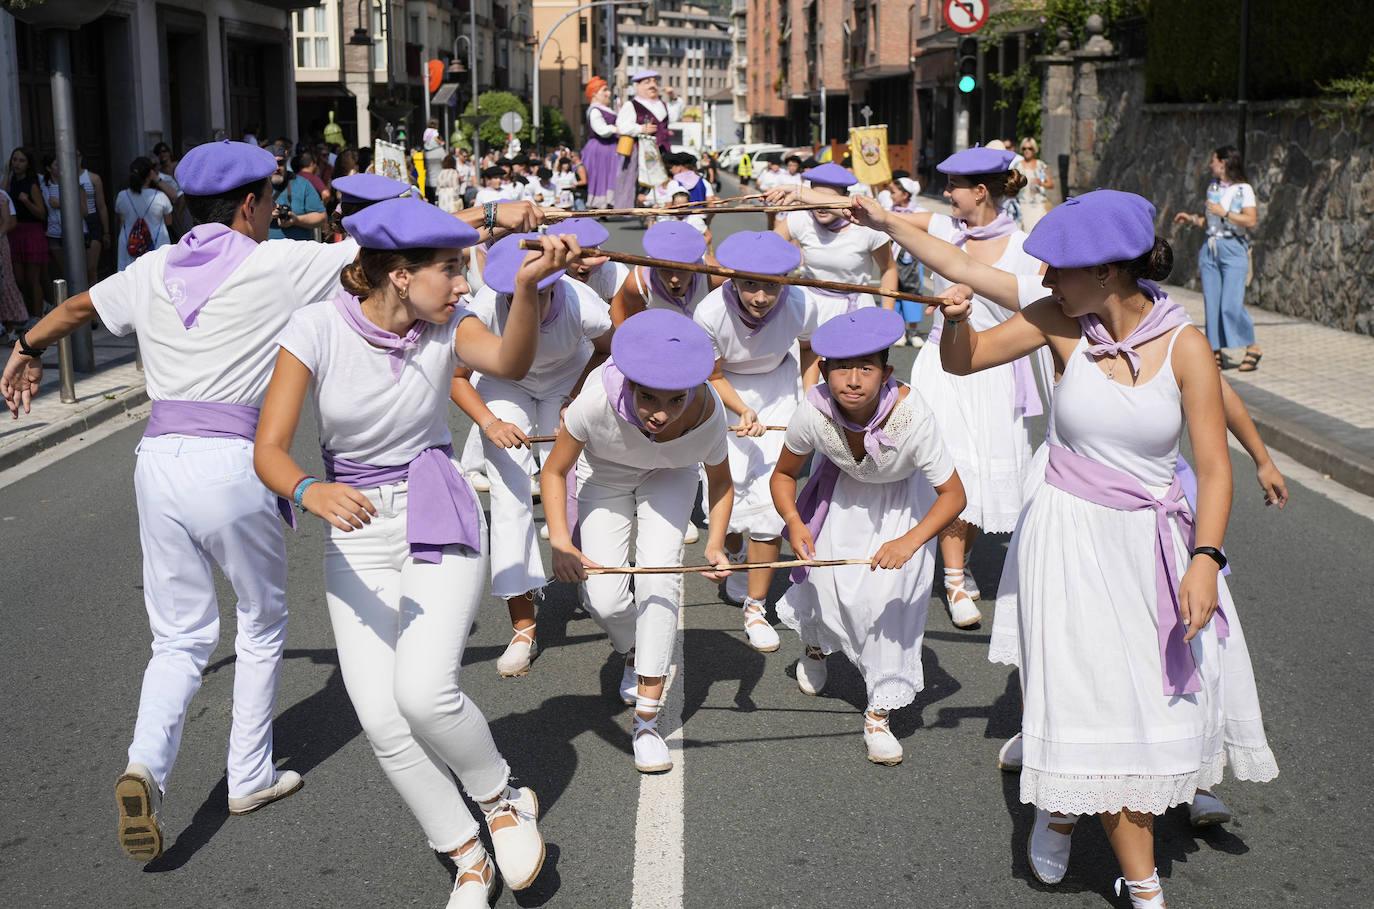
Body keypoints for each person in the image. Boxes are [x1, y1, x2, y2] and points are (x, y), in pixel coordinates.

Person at [865, 198, 1287, 830]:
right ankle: (1059, 799)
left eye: (1056, 267)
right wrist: (885, 223)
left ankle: (1185, 772)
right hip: (1070, 505)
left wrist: (1245, 480)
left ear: (1106, 272)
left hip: (1155, 516)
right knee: (1072, 652)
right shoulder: (1059, 316)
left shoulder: (1179, 338)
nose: (1041, 278)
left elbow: (1214, 425)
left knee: (1185, 652)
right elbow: (959, 296)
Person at [2, 139, 364, 862]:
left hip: (158, 461)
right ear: (252, 204)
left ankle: (146, 767)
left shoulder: (153, 266)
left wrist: (27, 348)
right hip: (233, 461)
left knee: (178, 637)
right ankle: (249, 773)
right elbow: (371, 251)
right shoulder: (277, 262)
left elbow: (76, 305)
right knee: (262, 618)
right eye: (268, 198)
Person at [254, 202, 571, 906]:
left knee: (424, 690)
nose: (463, 284)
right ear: (400, 275)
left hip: (437, 508)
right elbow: (269, 450)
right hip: (354, 530)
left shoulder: (449, 325)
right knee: (382, 717)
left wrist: (525, 290)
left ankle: (501, 801)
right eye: (452, 270)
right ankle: (466, 855)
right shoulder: (313, 329)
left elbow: (510, 360)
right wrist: (310, 488)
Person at [541, 309, 734, 772]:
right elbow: (553, 470)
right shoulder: (593, 404)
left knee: (658, 576)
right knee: (603, 599)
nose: (660, 413)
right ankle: (632, 646)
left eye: (675, 399)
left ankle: (646, 721)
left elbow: (722, 484)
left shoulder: (710, 415)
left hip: (670, 475)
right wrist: (562, 543)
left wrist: (715, 544)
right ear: (627, 382)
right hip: (604, 475)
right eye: (647, 397)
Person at [858, 146, 1044, 629]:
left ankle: (957, 559)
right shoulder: (943, 230)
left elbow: (1041, 313)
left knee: (982, 478)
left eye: (954, 186)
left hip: (997, 372)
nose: (946, 194)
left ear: (980, 191)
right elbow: (886, 219)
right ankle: (955, 577)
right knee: (949, 469)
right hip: (943, 368)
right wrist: (803, 194)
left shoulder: (1028, 249)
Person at [771, 308, 966, 765]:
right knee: (824, 583)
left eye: (866, 368)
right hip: (840, 494)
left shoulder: (913, 414)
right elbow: (784, 475)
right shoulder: (813, 411)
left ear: (886, 372)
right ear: (823, 370)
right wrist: (796, 523)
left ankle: (878, 713)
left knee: (887, 603)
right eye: (842, 367)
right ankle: (817, 646)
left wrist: (909, 542)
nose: (854, 380)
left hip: (905, 507)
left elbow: (954, 495)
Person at [449, 231, 613, 678]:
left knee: (579, 474)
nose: (531, 304)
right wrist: (490, 423)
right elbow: (458, 377)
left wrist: (575, 398)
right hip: (505, 382)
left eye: (542, 294)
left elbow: (605, 351)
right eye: (518, 294)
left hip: (567, 376)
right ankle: (523, 626)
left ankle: (591, 574)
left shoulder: (582, 302)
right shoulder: (482, 308)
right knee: (508, 492)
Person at [692, 231, 820, 649]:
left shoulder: (802, 303)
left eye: (771, 284)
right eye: (750, 284)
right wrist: (742, 409)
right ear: (731, 279)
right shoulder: (709, 312)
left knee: (768, 501)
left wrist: (808, 400)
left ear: (787, 278)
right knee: (729, 487)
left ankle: (756, 606)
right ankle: (730, 547)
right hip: (725, 393)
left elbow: (810, 351)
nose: (761, 296)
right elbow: (711, 374)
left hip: (781, 390)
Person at [768, 162, 898, 324]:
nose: (822, 208)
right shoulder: (800, 218)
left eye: (828, 201)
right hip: (808, 304)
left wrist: (887, 314)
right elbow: (767, 248)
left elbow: (888, 268)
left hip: (855, 307)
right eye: (815, 199)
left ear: (845, 197)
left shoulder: (867, 227)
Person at [1173, 144, 1261, 372]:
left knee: (1230, 304)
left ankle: (1252, 347)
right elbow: (1209, 222)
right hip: (1210, 248)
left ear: (1223, 162)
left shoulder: (1244, 190)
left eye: (1213, 160)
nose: (1210, 164)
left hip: (1234, 248)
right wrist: (1192, 219)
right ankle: (1215, 352)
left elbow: (1251, 220)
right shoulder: (1213, 187)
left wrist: (1226, 213)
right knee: (1212, 303)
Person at [610, 220, 719, 325]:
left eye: (681, 270)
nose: (674, 279)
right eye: (666, 270)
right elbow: (634, 329)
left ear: (696, 265)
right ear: (654, 266)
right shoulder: (637, 285)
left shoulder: (716, 276)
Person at [4, 147, 49, 317]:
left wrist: (27, 201)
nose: (17, 163)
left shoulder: (32, 184)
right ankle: (27, 312)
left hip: (32, 231)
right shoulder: (9, 181)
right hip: (15, 232)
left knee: (33, 279)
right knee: (18, 279)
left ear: (28, 164)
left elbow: (41, 213)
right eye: (15, 159)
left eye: (21, 160)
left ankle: (37, 316)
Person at [616, 70, 671, 208]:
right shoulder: (632, 105)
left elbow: (674, 117)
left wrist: (673, 97)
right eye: (647, 82)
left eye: (654, 82)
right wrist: (641, 128)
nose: (652, 85)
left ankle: (661, 207)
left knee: (663, 180)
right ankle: (643, 210)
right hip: (642, 151)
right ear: (638, 86)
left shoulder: (662, 104)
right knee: (641, 181)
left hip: (662, 149)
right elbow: (622, 126)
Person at [114, 156, 174, 272]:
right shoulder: (160, 197)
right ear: (150, 174)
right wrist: (156, 178)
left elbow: (121, 221)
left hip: (130, 247)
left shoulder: (122, 196)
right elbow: (169, 220)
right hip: (157, 247)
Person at [270, 152, 326, 241]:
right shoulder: (256, 185)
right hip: (267, 251)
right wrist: (266, 214)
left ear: (285, 163)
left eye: (280, 163)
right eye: (272, 163)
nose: (277, 168)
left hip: (299, 251)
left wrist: (297, 220)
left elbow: (321, 217)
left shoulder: (303, 184)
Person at [582, 77, 620, 210]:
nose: (608, 93)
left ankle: (606, 204)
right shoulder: (595, 110)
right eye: (604, 90)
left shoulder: (603, 109)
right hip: (601, 148)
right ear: (594, 94)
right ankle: (598, 204)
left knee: (608, 175)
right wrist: (617, 129)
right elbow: (601, 130)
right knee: (600, 175)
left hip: (608, 148)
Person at [78, 151, 111, 288]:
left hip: (91, 221)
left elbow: (102, 206)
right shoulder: (59, 178)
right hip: (70, 223)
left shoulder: (93, 178)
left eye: (77, 155)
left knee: (91, 268)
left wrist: (106, 232)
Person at [0, 187, 29, 336]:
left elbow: (8, 222)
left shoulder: (2, 196)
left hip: (0, 243)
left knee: (5, 282)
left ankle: (13, 325)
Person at [1013, 138, 1054, 231]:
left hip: (1038, 205)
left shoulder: (1041, 165)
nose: (1027, 151)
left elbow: (1051, 184)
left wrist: (1041, 183)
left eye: (1030, 148)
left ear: (1034, 149)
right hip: (1021, 205)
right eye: (1024, 148)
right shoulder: (1017, 166)